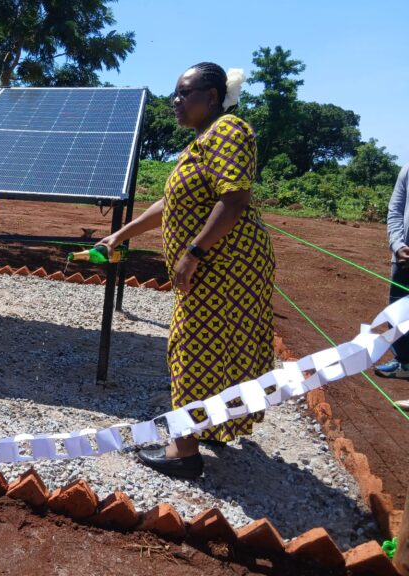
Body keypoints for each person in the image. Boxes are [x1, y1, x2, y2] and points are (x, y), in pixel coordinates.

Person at [97, 63, 276, 479]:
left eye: (184, 93)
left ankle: (184, 449)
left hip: (225, 268)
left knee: (193, 349)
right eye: (175, 94)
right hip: (216, 267)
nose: (175, 101)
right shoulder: (202, 140)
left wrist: (193, 252)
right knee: (216, 348)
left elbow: (234, 200)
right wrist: (120, 235)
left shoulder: (229, 131)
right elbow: (171, 204)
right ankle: (211, 423)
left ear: (212, 97)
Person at [376, 162, 409, 380]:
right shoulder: (408, 169)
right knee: (398, 313)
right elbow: (395, 210)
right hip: (404, 258)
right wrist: (397, 245)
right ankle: (404, 362)